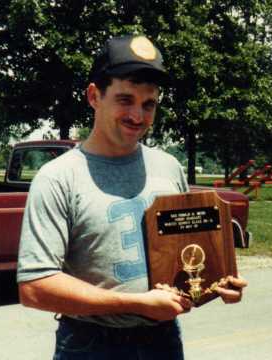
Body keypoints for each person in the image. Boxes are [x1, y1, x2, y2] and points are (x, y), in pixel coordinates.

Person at [17, 34, 247, 360]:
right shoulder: (57, 178)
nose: (138, 116)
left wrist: (217, 284)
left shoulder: (168, 168)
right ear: (94, 96)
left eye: (148, 104)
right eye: (125, 100)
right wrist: (137, 303)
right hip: (90, 344)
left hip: (163, 341)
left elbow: (185, 258)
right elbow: (35, 287)